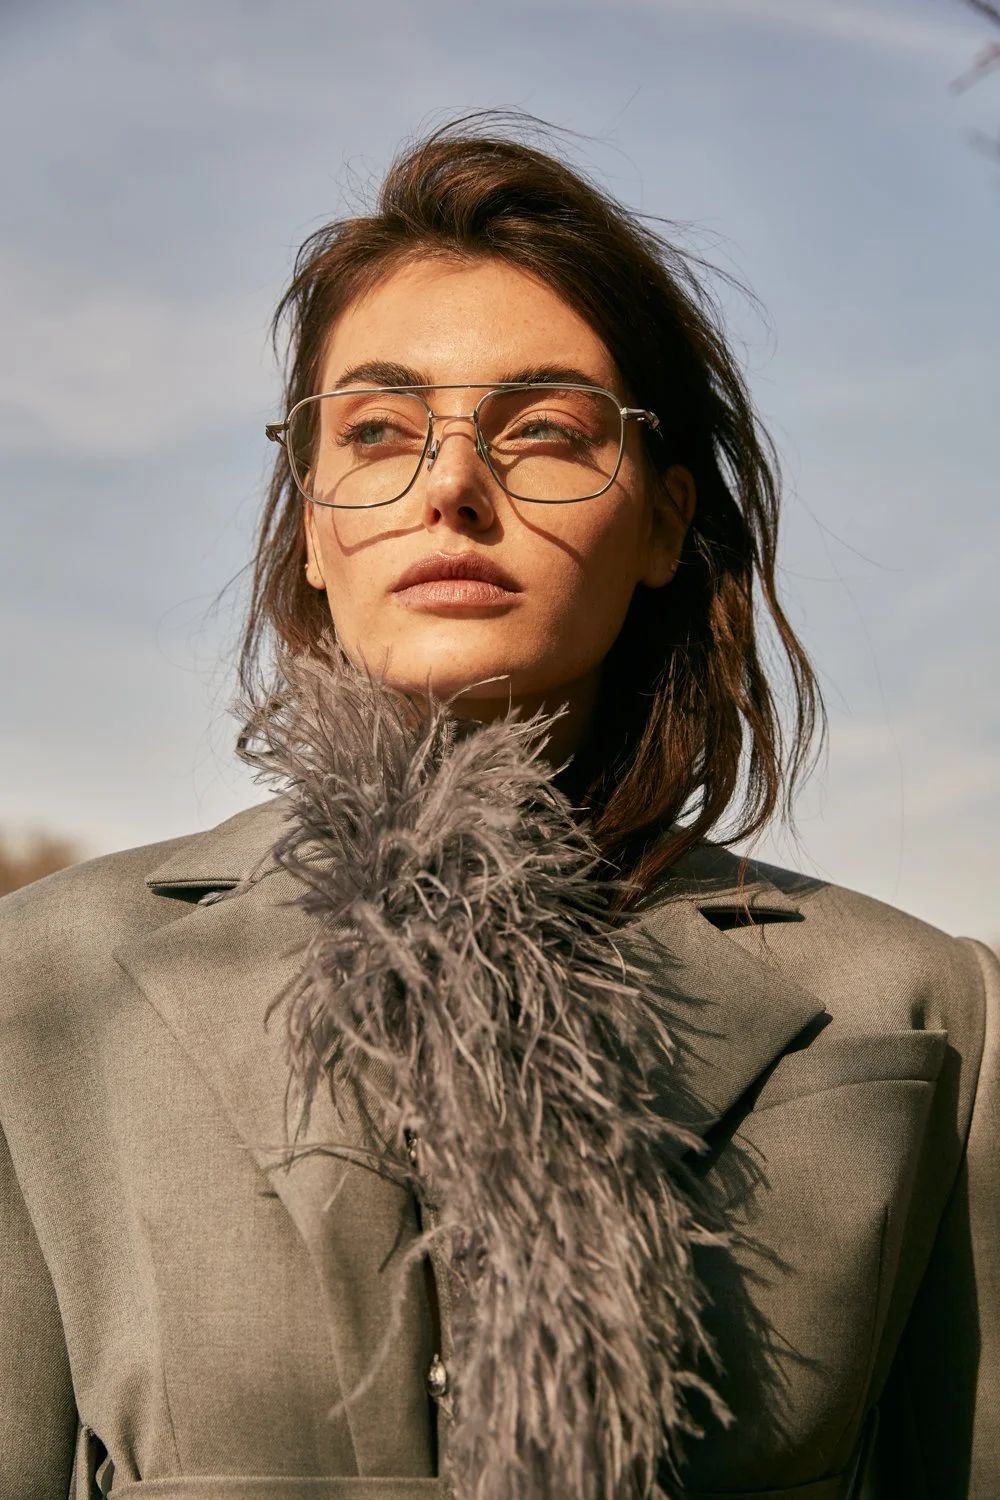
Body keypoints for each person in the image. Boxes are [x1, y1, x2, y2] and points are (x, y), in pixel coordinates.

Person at [0, 119, 996, 1500]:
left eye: (542, 434)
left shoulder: (925, 1010)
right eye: (379, 430)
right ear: (311, 521)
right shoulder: (46, 985)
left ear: (659, 524)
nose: (453, 487)